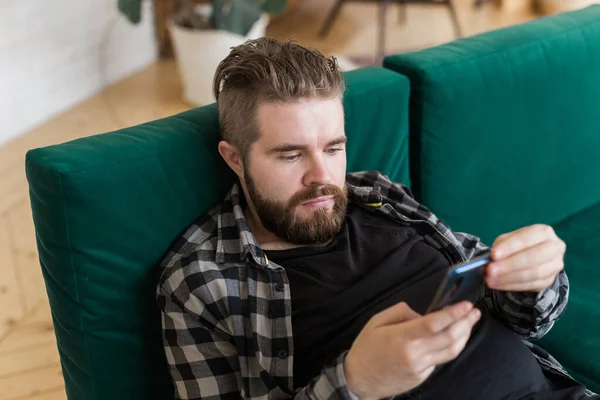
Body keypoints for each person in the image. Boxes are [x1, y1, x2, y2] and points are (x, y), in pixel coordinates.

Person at [156, 38, 597, 400]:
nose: (322, 177)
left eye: (333, 148)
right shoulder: (201, 282)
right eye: (290, 155)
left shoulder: (379, 195)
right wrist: (356, 382)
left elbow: (523, 317)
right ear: (235, 158)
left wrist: (534, 279)